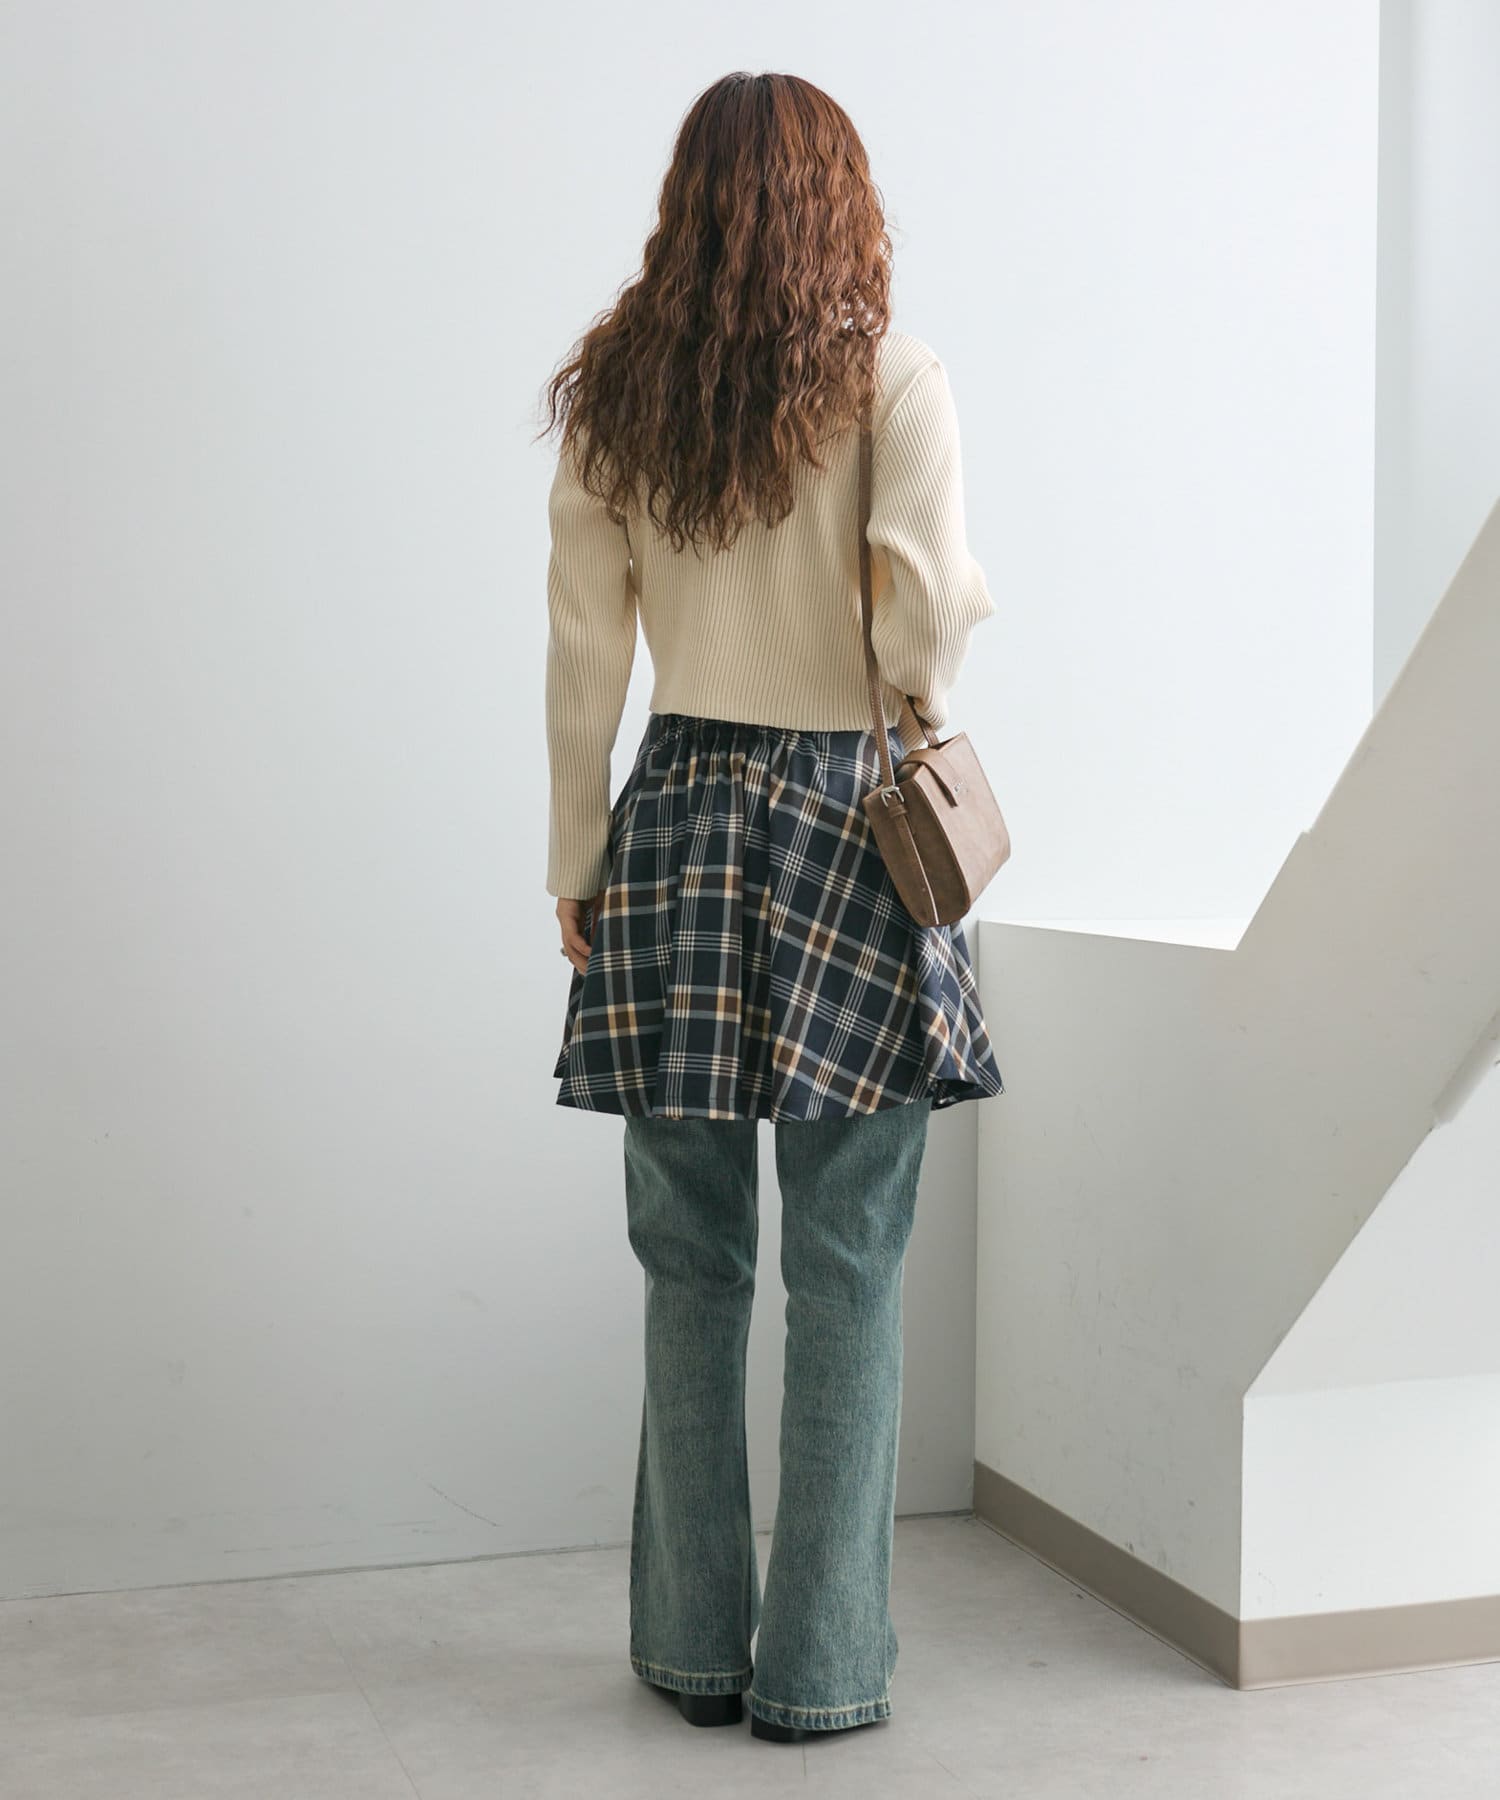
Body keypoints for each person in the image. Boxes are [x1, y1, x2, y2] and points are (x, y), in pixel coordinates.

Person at [536, 69, 1005, 1745]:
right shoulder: (894, 380)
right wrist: (923, 649)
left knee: (689, 1260)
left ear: (688, 206)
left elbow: (585, 654)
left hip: (673, 824)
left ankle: (689, 1651)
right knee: (851, 1265)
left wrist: (576, 859)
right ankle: (823, 1668)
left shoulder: (617, 398)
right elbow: (921, 627)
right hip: (850, 833)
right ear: (839, 201)